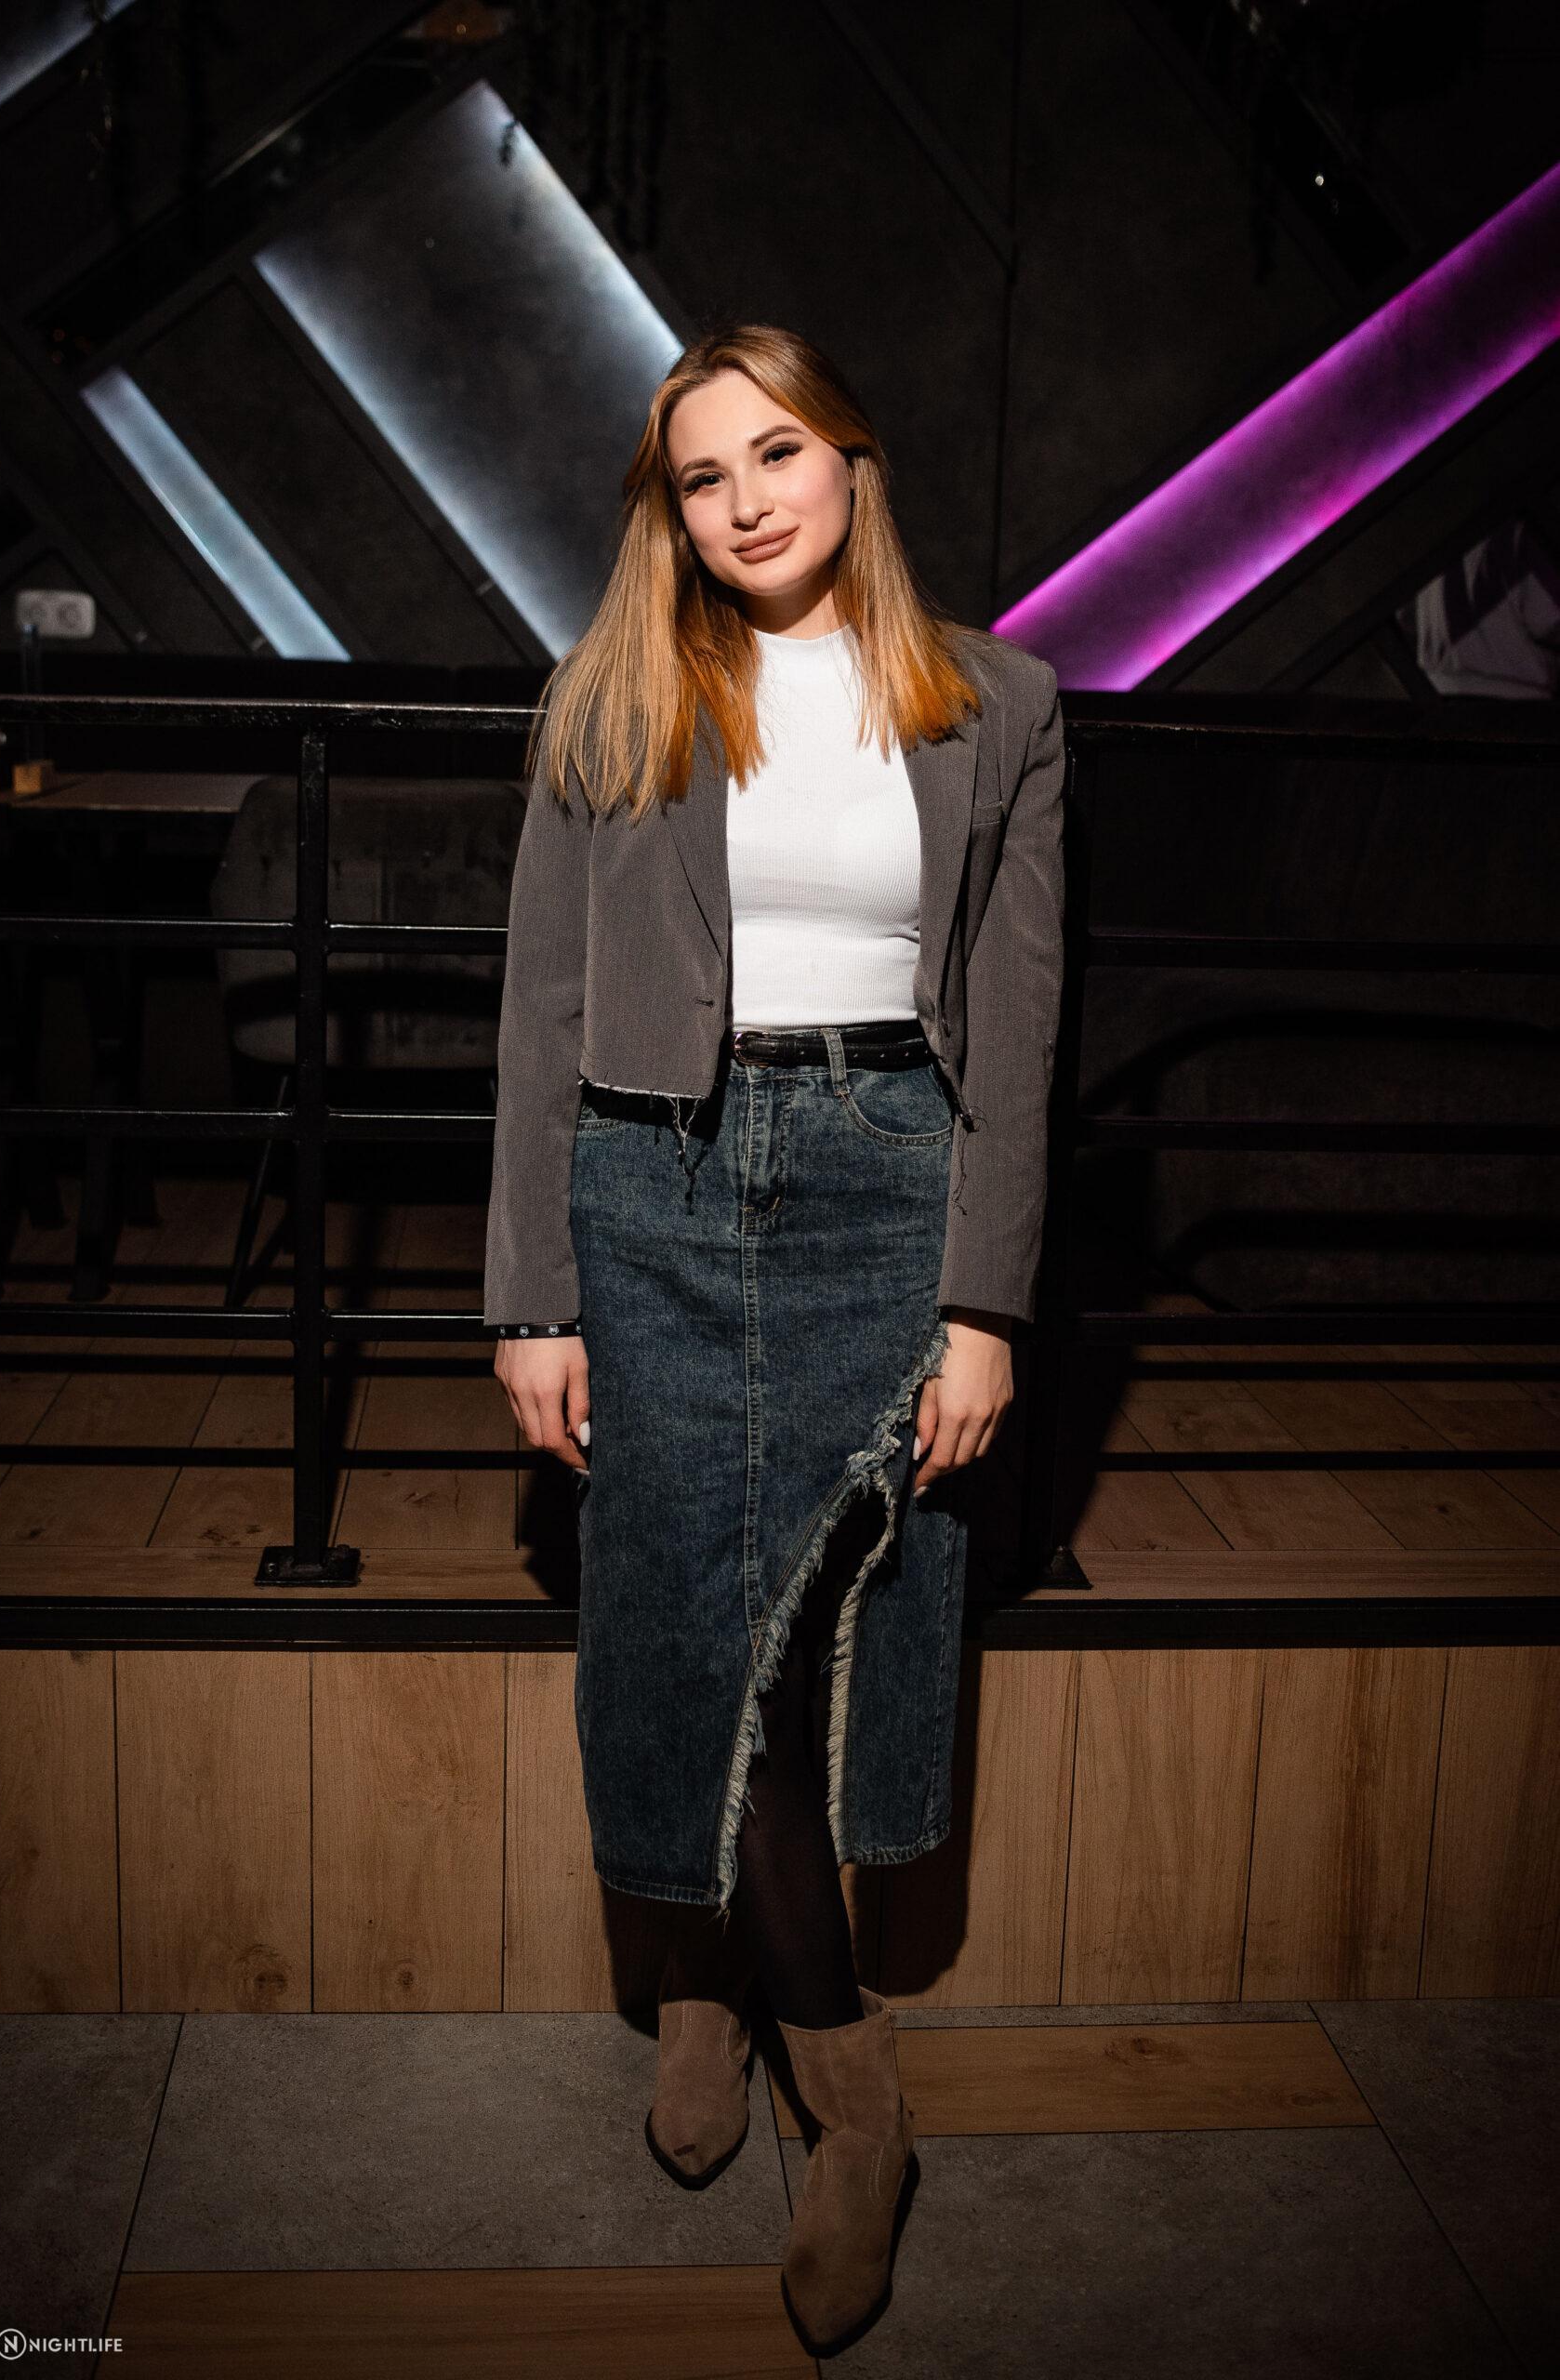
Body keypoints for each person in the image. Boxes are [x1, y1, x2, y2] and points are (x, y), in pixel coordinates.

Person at [485, 322, 1064, 2353]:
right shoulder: (614, 694)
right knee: (678, 1599)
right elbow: (540, 1011)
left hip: (889, 1177)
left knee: (823, 1612)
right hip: (652, 1179)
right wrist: (531, 1295)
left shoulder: (1003, 700)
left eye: (778, 453)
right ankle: (833, 2061)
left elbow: (1024, 1019)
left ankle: (741, 1989)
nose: (744, 501)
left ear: (852, 460)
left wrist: (985, 1301)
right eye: (702, 474)